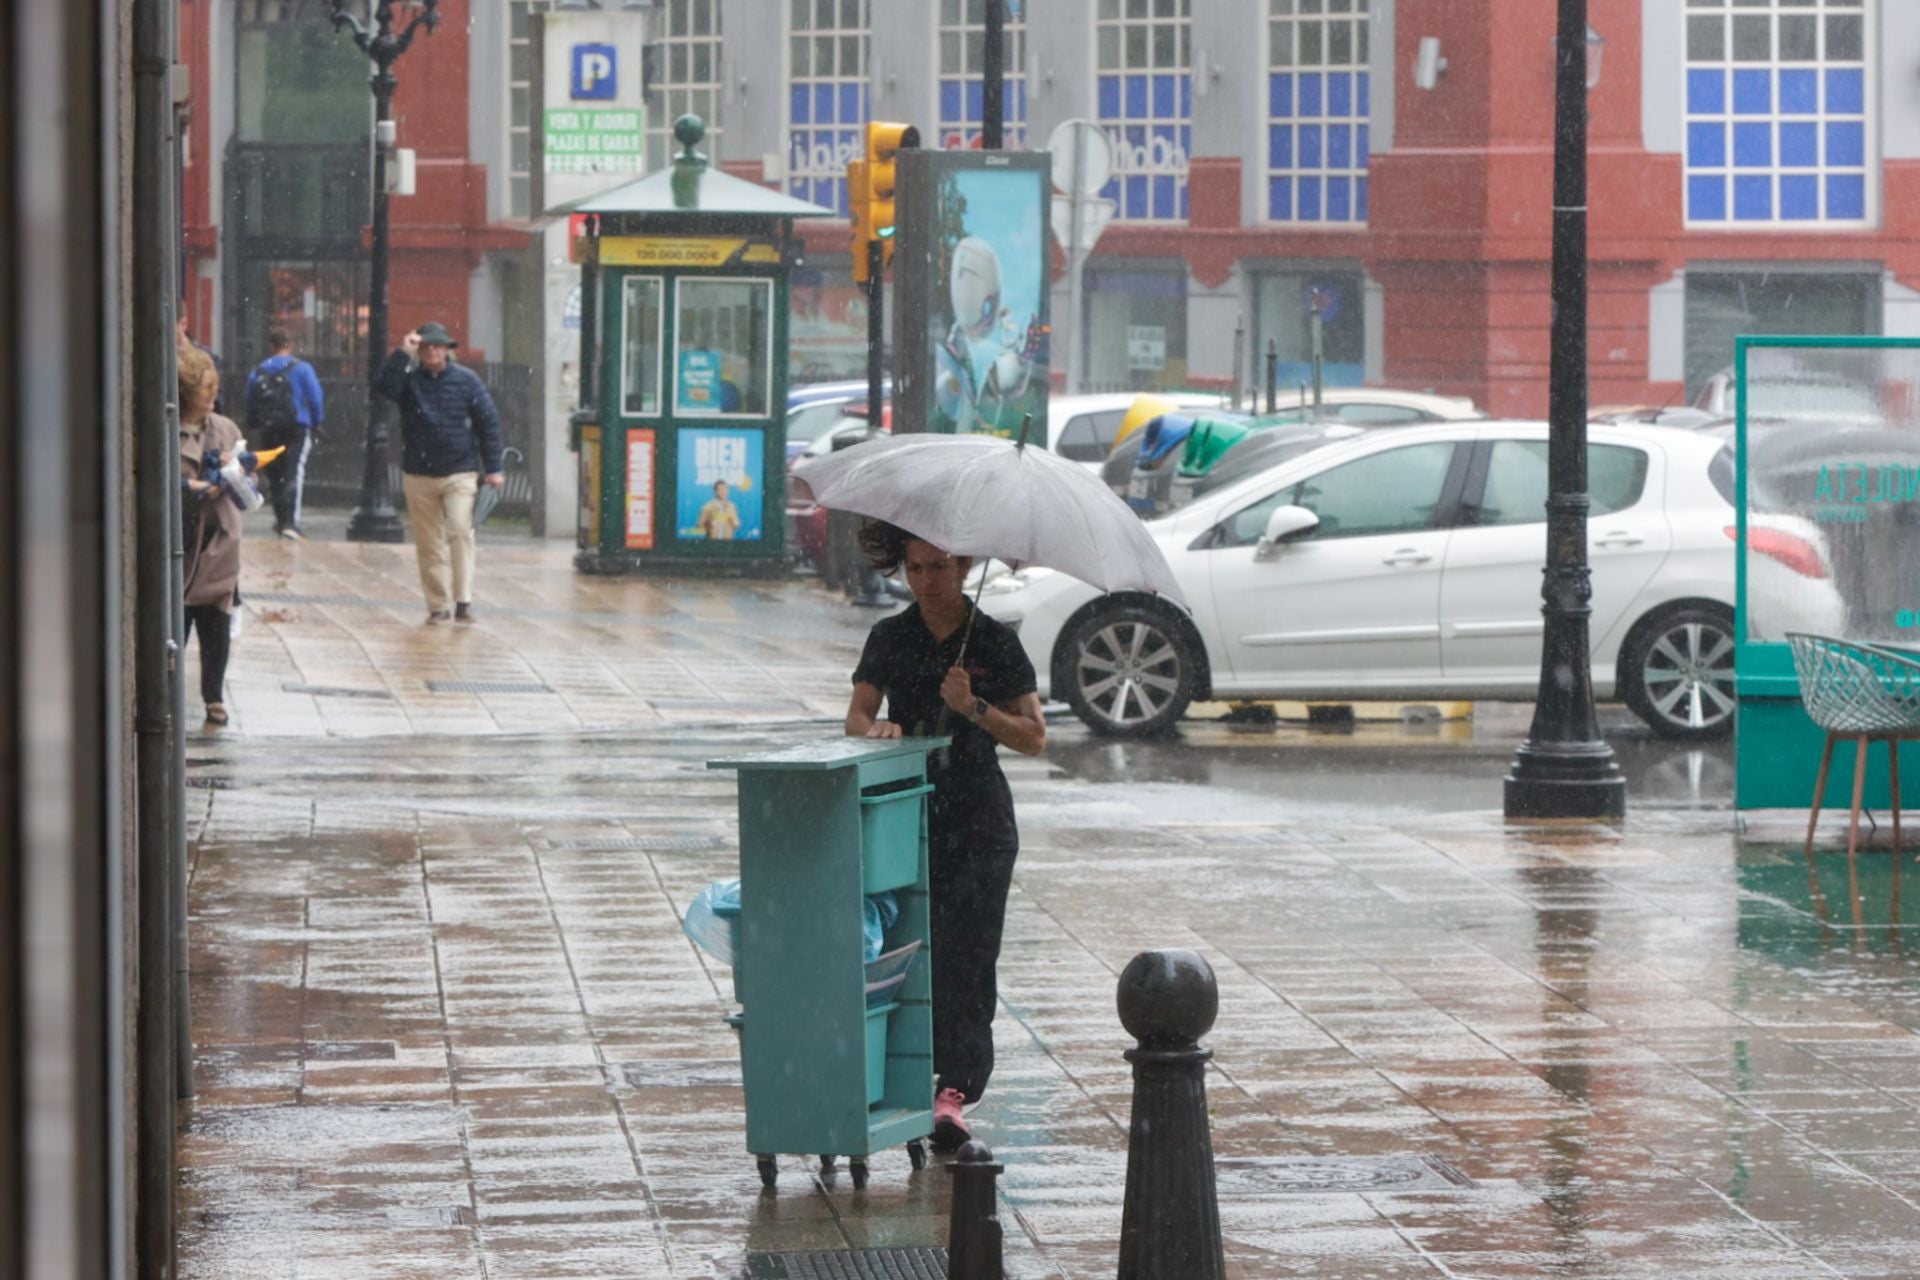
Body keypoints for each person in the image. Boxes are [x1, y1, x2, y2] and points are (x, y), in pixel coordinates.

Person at [843, 520, 1046, 1152]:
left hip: (979, 822)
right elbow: (855, 715)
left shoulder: (992, 642)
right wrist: (872, 732)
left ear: (963, 567)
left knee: (967, 955)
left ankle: (954, 1090)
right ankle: (897, 1073)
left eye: (941, 567)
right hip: (905, 816)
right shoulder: (889, 636)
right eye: (917, 568)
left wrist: (973, 708)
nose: (929, 581)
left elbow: (1035, 737)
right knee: (901, 948)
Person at [375, 321, 503, 625]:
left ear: (447, 350)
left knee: (460, 531)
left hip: (459, 471)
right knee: (428, 542)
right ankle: (438, 604)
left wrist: (494, 468)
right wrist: (401, 353)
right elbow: (383, 389)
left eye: (437, 346)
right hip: (419, 474)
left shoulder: (467, 381)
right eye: (426, 347)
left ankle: (464, 599)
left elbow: (489, 422)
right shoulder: (409, 382)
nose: (432, 351)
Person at [177, 341, 247, 726]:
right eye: (205, 392)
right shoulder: (166, 430)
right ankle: (167, 691)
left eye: (215, 392)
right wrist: (195, 489)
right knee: (178, 622)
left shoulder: (225, 429)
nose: (212, 400)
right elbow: (157, 484)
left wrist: (234, 472)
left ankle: (214, 697)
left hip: (221, 544)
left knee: (216, 623)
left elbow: (250, 495)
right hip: (185, 541)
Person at [245, 327, 326, 539]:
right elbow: (315, 396)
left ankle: (280, 520)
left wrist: (255, 424)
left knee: (275, 474)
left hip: (270, 428)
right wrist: (317, 421)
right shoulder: (302, 368)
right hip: (295, 426)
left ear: (271, 346)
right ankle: (291, 522)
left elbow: (250, 399)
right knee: (292, 472)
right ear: (289, 345)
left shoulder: (259, 370)